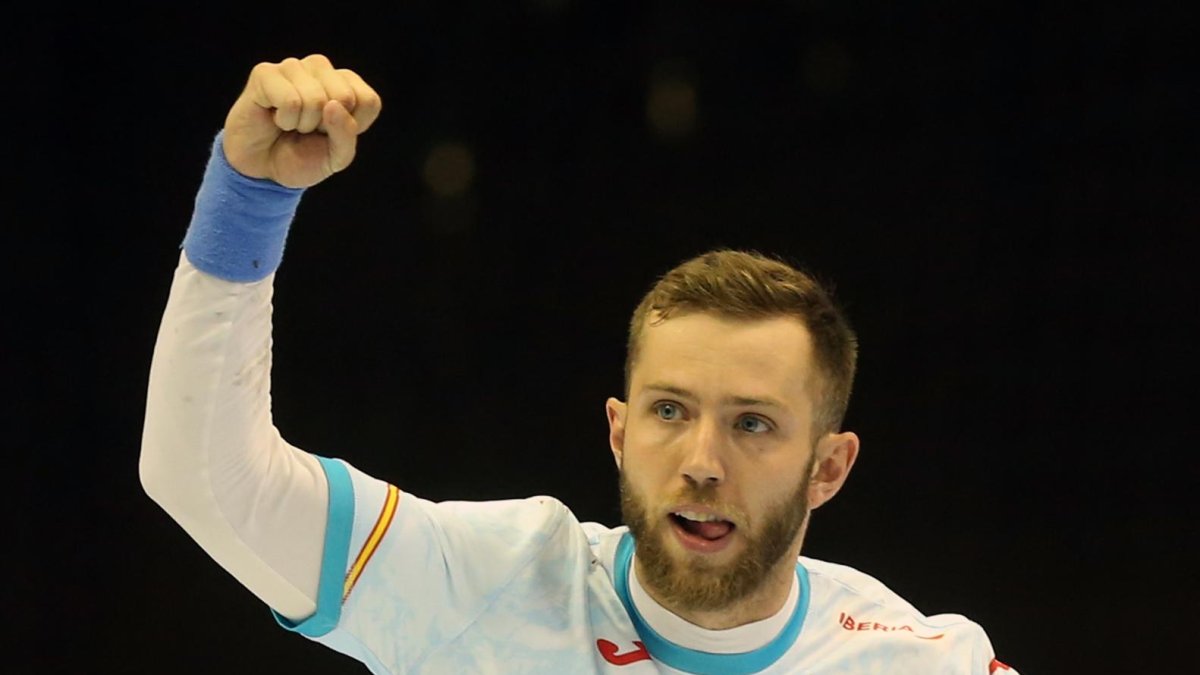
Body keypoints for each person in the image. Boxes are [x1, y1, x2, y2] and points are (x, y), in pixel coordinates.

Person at [140, 54, 1019, 674]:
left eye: (753, 423)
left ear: (829, 467)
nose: (702, 461)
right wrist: (248, 198)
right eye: (670, 411)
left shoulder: (919, 661)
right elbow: (205, 477)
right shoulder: (492, 588)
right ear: (619, 428)